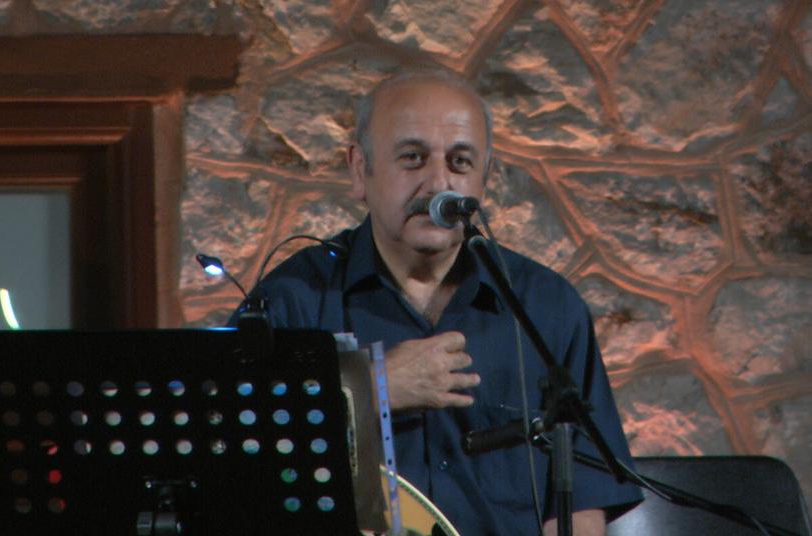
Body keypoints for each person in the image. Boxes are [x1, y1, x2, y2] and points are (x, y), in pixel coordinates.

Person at [231, 68, 643, 535]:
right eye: (413, 158)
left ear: (485, 179)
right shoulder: (291, 300)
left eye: (460, 162)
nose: (437, 183)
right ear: (360, 170)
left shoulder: (546, 308)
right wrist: (373, 389)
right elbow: (235, 459)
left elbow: (582, 503)